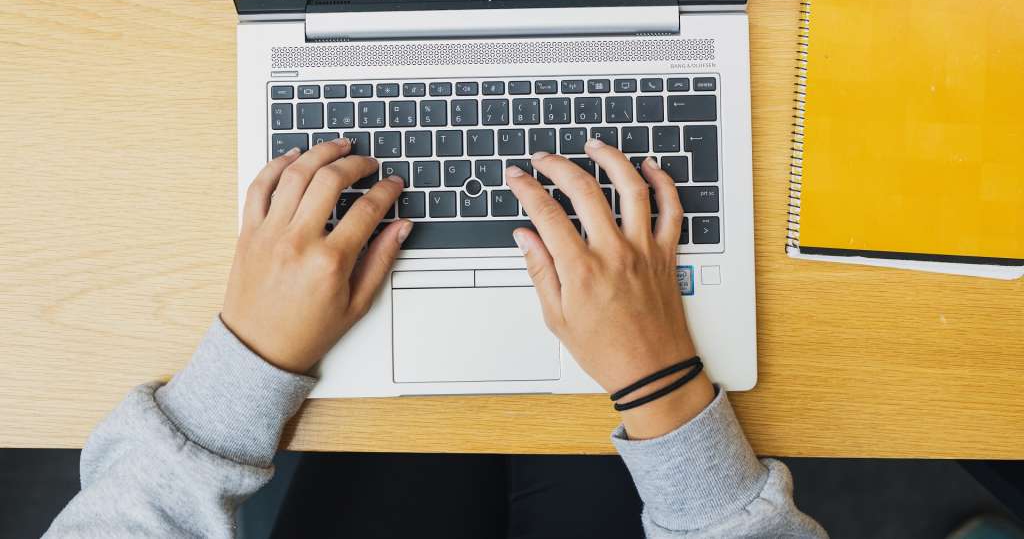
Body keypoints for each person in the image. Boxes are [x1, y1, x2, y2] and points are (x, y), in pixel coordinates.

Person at [44, 138, 825, 538]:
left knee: (431, 444)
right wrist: (660, 384)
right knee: (558, 453)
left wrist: (250, 357)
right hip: (651, 402)